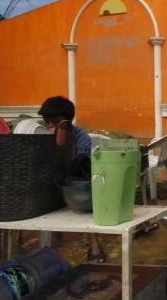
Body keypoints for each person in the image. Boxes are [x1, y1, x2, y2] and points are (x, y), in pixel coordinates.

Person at [38, 96, 157, 263]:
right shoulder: (41, 137)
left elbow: (79, 168)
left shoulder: (81, 139)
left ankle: (95, 244)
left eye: (55, 122)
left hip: (74, 183)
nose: (50, 126)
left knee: (91, 195)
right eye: (47, 122)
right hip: (49, 183)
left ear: (68, 121)